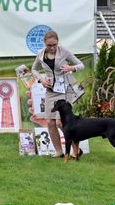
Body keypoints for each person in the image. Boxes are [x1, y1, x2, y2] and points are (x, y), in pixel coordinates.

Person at [31, 30, 84, 158]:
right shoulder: (40, 54)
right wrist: (41, 80)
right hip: (50, 91)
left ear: (57, 42)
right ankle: (58, 151)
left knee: (61, 122)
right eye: (49, 45)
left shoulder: (64, 51)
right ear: (45, 43)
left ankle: (76, 150)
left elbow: (80, 65)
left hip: (65, 90)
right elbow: (34, 69)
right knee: (50, 122)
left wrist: (71, 68)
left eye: (54, 44)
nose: (52, 47)